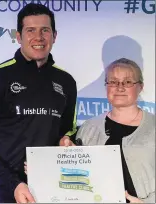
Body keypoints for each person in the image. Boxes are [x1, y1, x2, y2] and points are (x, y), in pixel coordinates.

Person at [0, 3, 77, 203]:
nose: (39, 37)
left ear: (54, 36)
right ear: (18, 37)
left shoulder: (66, 81)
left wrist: (66, 141)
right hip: (2, 190)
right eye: (30, 30)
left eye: (45, 30)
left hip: (49, 186)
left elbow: (68, 130)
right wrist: (13, 183)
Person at [61, 58, 155, 203]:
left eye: (128, 82)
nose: (119, 87)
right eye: (113, 81)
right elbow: (77, 177)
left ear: (140, 87)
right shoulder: (88, 127)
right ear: (106, 86)